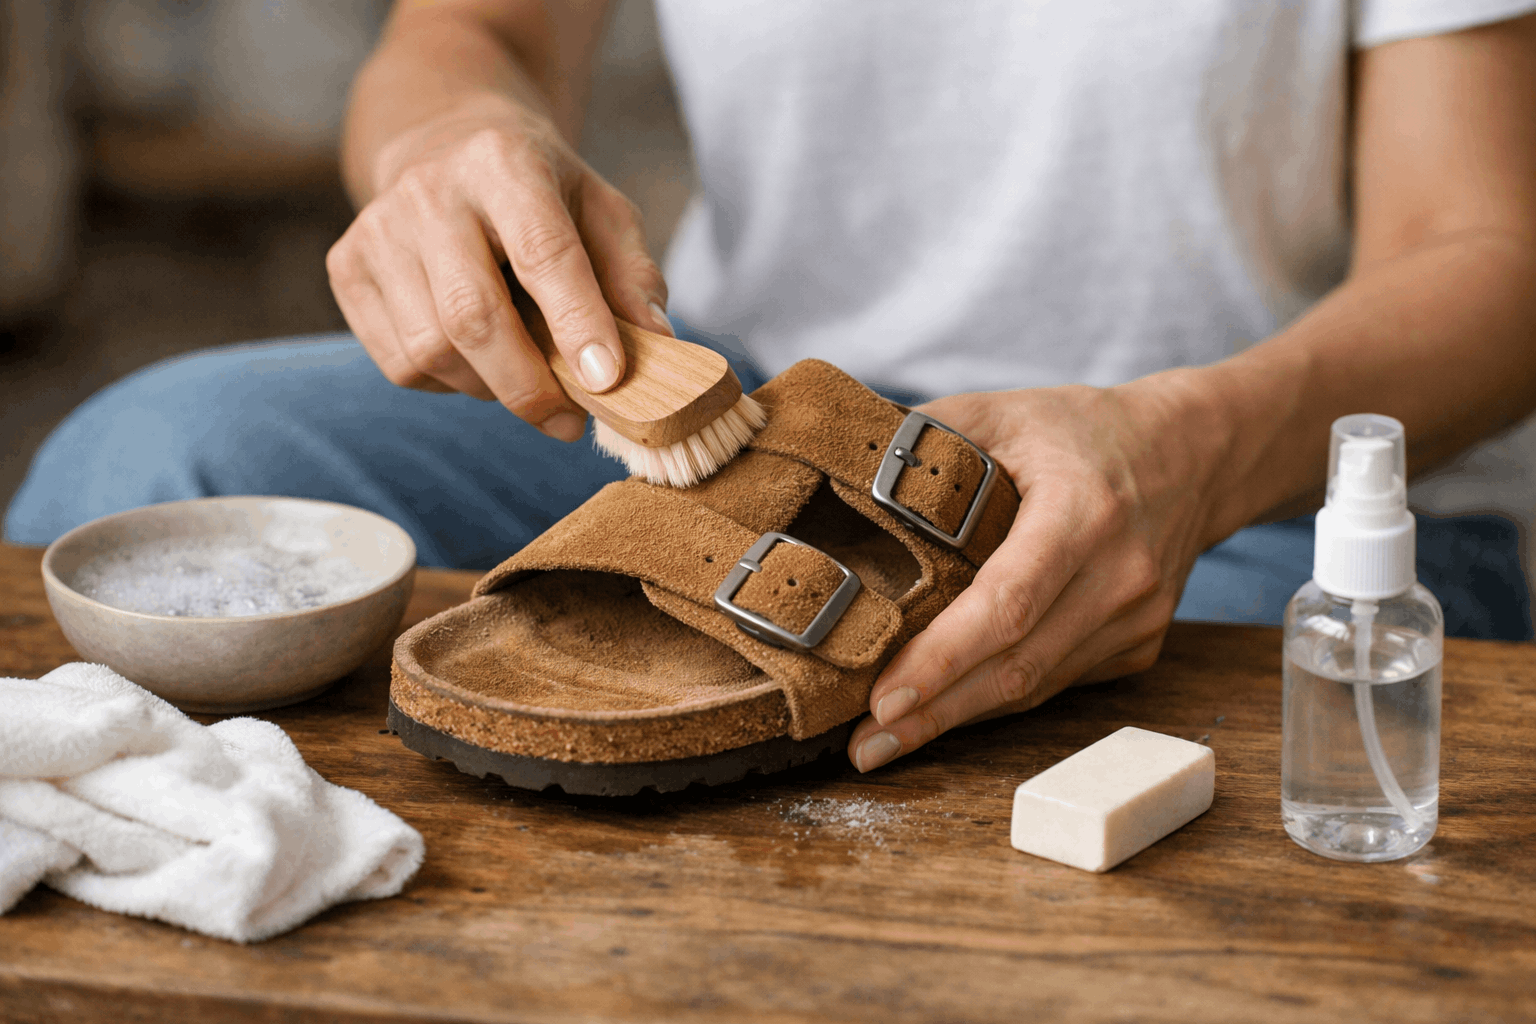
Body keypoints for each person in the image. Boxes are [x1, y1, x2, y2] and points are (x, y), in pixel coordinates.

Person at [8, 1, 1536, 777]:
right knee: (156, 454)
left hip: (1230, 487)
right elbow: (465, 36)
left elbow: (1487, 245)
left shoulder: (1220, 465)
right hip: (757, 434)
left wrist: (1197, 448)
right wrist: (443, 155)